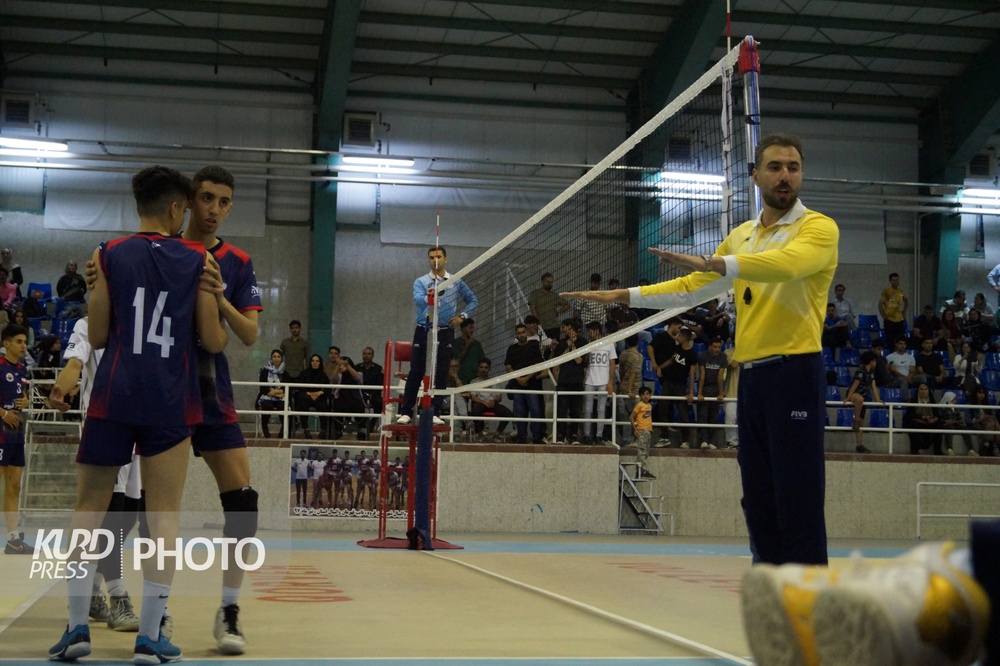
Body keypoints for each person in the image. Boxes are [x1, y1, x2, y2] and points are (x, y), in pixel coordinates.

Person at [563, 132, 838, 566]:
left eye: (793, 167)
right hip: (750, 378)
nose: (785, 176)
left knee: (798, 493)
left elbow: (786, 266)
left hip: (794, 373)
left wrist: (715, 264)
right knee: (758, 497)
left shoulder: (818, 229)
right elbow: (691, 288)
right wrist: (624, 297)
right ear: (755, 176)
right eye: (775, 167)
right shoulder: (742, 236)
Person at [49, 166, 228, 663]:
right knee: (163, 514)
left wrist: (98, 287)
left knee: (88, 509)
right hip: (170, 399)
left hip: (114, 394)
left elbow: (100, 334)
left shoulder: (106, 254)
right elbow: (213, 341)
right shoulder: (200, 260)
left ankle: (77, 627)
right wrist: (213, 296)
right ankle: (150, 636)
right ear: (177, 209)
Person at [179, 165, 263, 656]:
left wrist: (219, 295)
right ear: (189, 201)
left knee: (243, 503)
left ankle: (230, 610)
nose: (213, 209)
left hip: (213, 393)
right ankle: (153, 605)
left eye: (223, 202)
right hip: (163, 390)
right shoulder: (164, 249)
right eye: (206, 198)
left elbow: (250, 335)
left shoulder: (236, 261)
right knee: (148, 506)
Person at [48, 316, 141, 632]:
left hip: (142, 426)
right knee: (111, 515)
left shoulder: (139, 321)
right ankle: (118, 597)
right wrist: (63, 385)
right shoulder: (88, 324)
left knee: (131, 513)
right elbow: (75, 363)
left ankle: (93, 587)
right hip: (106, 424)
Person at [395, 246, 478, 426]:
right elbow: (418, 300)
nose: (435, 260)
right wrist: (429, 297)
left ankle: (435, 411)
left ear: (445, 259)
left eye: (439, 256)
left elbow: (473, 301)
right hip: (424, 329)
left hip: (445, 330)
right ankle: (406, 412)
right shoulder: (421, 281)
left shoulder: (455, 281)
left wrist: (462, 317)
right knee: (417, 371)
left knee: (441, 373)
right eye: (432, 257)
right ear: (428, 260)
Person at [0, 323, 31, 555]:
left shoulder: (21, 369)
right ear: (6, 343)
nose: (24, 345)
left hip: (16, 432)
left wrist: (26, 402)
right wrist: (3, 413)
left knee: (14, 485)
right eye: (19, 341)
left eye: (25, 341)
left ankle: (13, 540)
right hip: (1, 430)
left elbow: (23, 394)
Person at [504, 323, 546, 444]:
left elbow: (538, 366)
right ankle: (521, 437)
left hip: (532, 385)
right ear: (516, 335)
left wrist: (526, 378)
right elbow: (508, 366)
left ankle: (536, 438)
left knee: (535, 411)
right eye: (519, 333)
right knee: (519, 412)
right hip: (518, 386)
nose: (522, 335)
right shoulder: (512, 349)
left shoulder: (534, 346)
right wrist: (518, 378)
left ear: (527, 332)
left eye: (523, 332)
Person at [552, 318, 588, 445]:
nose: (562, 329)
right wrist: (567, 347)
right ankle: (561, 436)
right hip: (563, 383)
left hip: (577, 382)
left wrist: (573, 346)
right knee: (561, 410)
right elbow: (558, 361)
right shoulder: (561, 343)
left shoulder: (583, 342)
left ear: (570, 327)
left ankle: (573, 436)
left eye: (564, 327)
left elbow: (579, 360)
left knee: (575, 411)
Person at [581, 321, 616, 445]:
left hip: (603, 380)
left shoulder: (609, 344)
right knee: (587, 410)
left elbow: (612, 364)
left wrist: (610, 382)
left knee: (601, 410)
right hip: (590, 380)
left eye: (591, 330)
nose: (589, 333)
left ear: (596, 330)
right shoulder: (589, 345)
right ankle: (586, 435)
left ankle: (599, 435)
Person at [844, 350, 881, 454]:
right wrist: (848, 398)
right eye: (875, 361)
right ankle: (855, 420)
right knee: (859, 399)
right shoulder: (860, 371)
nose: (876, 363)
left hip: (864, 397)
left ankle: (859, 445)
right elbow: (854, 386)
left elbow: (874, 387)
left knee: (862, 423)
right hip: (854, 394)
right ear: (872, 361)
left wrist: (877, 399)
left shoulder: (871, 373)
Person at [467, 359, 511, 442]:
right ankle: (480, 435)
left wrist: (493, 401)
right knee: (475, 410)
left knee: (508, 413)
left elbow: (499, 396)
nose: (483, 369)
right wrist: (484, 402)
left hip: (492, 403)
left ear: (489, 369)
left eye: (486, 367)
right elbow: (473, 397)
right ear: (478, 368)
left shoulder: (494, 381)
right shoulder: (474, 381)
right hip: (481, 403)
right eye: (482, 367)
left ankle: (496, 435)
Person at [695, 337, 726, 450]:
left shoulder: (723, 357)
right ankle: (703, 440)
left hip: (715, 391)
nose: (717, 349)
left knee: (714, 417)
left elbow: (720, 376)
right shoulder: (703, 356)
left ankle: (713, 441)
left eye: (719, 347)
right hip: (704, 389)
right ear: (709, 346)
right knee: (702, 416)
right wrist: (699, 393)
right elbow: (702, 375)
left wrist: (721, 393)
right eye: (715, 347)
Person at [295, 354, 332, 439]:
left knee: (323, 404)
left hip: (319, 397)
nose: (315, 363)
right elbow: (299, 386)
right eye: (313, 361)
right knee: (303, 402)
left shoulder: (323, 375)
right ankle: (306, 429)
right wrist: (309, 394)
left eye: (317, 361)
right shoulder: (304, 373)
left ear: (320, 363)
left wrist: (319, 393)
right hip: (306, 396)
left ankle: (323, 430)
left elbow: (327, 388)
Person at [616, 334, 643, 446]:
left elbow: (621, 371)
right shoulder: (638, 357)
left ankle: (627, 439)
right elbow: (633, 374)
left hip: (623, 387)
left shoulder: (623, 354)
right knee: (636, 415)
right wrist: (630, 391)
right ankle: (636, 439)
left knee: (626, 415)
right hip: (634, 390)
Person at [528, 272, 570, 340]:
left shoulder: (554, 295)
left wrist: (558, 312)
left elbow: (567, 305)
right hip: (541, 326)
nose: (549, 284)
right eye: (547, 281)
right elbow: (532, 309)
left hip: (554, 326)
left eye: (551, 282)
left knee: (555, 346)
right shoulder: (535, 294)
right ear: (542, 281)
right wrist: (537, 321)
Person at [903, 382, 942, 455]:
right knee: (914, 427)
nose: (923, 391)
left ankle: (938, 451)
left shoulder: (932, 401)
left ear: (928, 391)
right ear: (918, 391)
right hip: (916, 421)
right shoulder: (913, 401)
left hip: (930, 422)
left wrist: (934, 419)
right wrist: (922, 417)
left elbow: (937, 415)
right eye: (921, 389)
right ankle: (915, 449)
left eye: (925, 389)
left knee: (938, 426)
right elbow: (910, 415)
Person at [356, 346, 384, 441]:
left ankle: (372, 424)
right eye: (364, 354)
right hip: (360, 394)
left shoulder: (378, 368)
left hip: (374, 394)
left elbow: (381, 383)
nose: (366, 356)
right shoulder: (357, 368)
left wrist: (371, 395)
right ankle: (361, 429)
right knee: (358, 405)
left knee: (380, 403)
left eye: (368, 354)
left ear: (373, 356)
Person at [257, 349, 287, 438]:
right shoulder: (264, 371)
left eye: (278, 357)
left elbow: (285, 389)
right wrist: (277, 392)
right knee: (266, 405)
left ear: (282, 359)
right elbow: (263, 388)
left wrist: (275, 392)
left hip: (280, 398)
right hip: (266, 397)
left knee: (283, 406)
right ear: (271, 358)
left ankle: (282, 434)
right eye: (274, 357)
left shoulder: (285, 373)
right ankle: (265, 431)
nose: (276, 359)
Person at [630, 386, 655, 479]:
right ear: (640, 396)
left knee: (646, 451)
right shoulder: (639, 405)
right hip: (641, 429)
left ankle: (641, 469)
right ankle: (641, 470)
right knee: (642, 450)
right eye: (643, 394)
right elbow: (632, 416)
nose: (646, 396)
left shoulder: (649, 406)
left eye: (647, 394)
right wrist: (635, 429)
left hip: (648, 431)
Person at [879, 272, 909, 348]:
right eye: (893, 280)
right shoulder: (887, 291)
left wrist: (904, 312)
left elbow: (906, 300)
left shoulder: (901, 292)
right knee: (890, 340)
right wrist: (884, 316)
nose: (895, 282)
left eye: (897, 280)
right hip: (889, 320)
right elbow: (880, 304)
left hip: (899, 319)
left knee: (901, 339)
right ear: (890, 281)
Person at [452, 318, 485, 384]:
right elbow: (456, 360)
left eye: (473, 328)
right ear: (463, 329)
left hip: (475, 380)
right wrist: (467, 346)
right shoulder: (456, 343)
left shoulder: (477, 344)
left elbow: (482, 361)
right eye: (470, 328)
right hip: (460, 379)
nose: (472, 330)